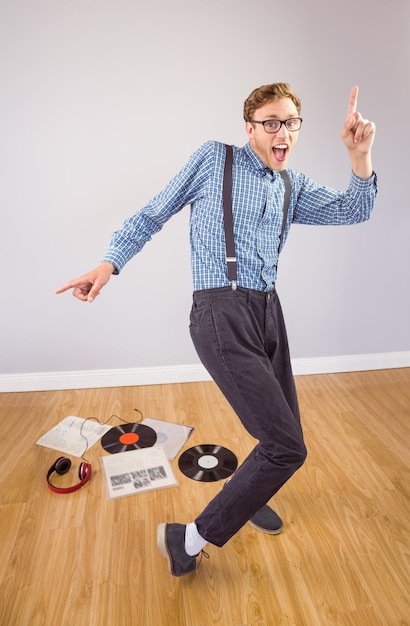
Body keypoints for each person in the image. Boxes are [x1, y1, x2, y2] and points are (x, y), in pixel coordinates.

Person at [56, 83, 377, 577]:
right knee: (287, 446)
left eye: (291, 122)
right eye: (270, 122)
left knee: (281, 434)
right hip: (219, 311)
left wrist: (360, 156)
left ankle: (245, 499)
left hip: (269, 311)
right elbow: (152, 213)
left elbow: (355, 209)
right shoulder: (214, 160)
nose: (282, 131)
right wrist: (108, 264)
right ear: (249, 128)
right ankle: (188, 537)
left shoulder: (293, 184)